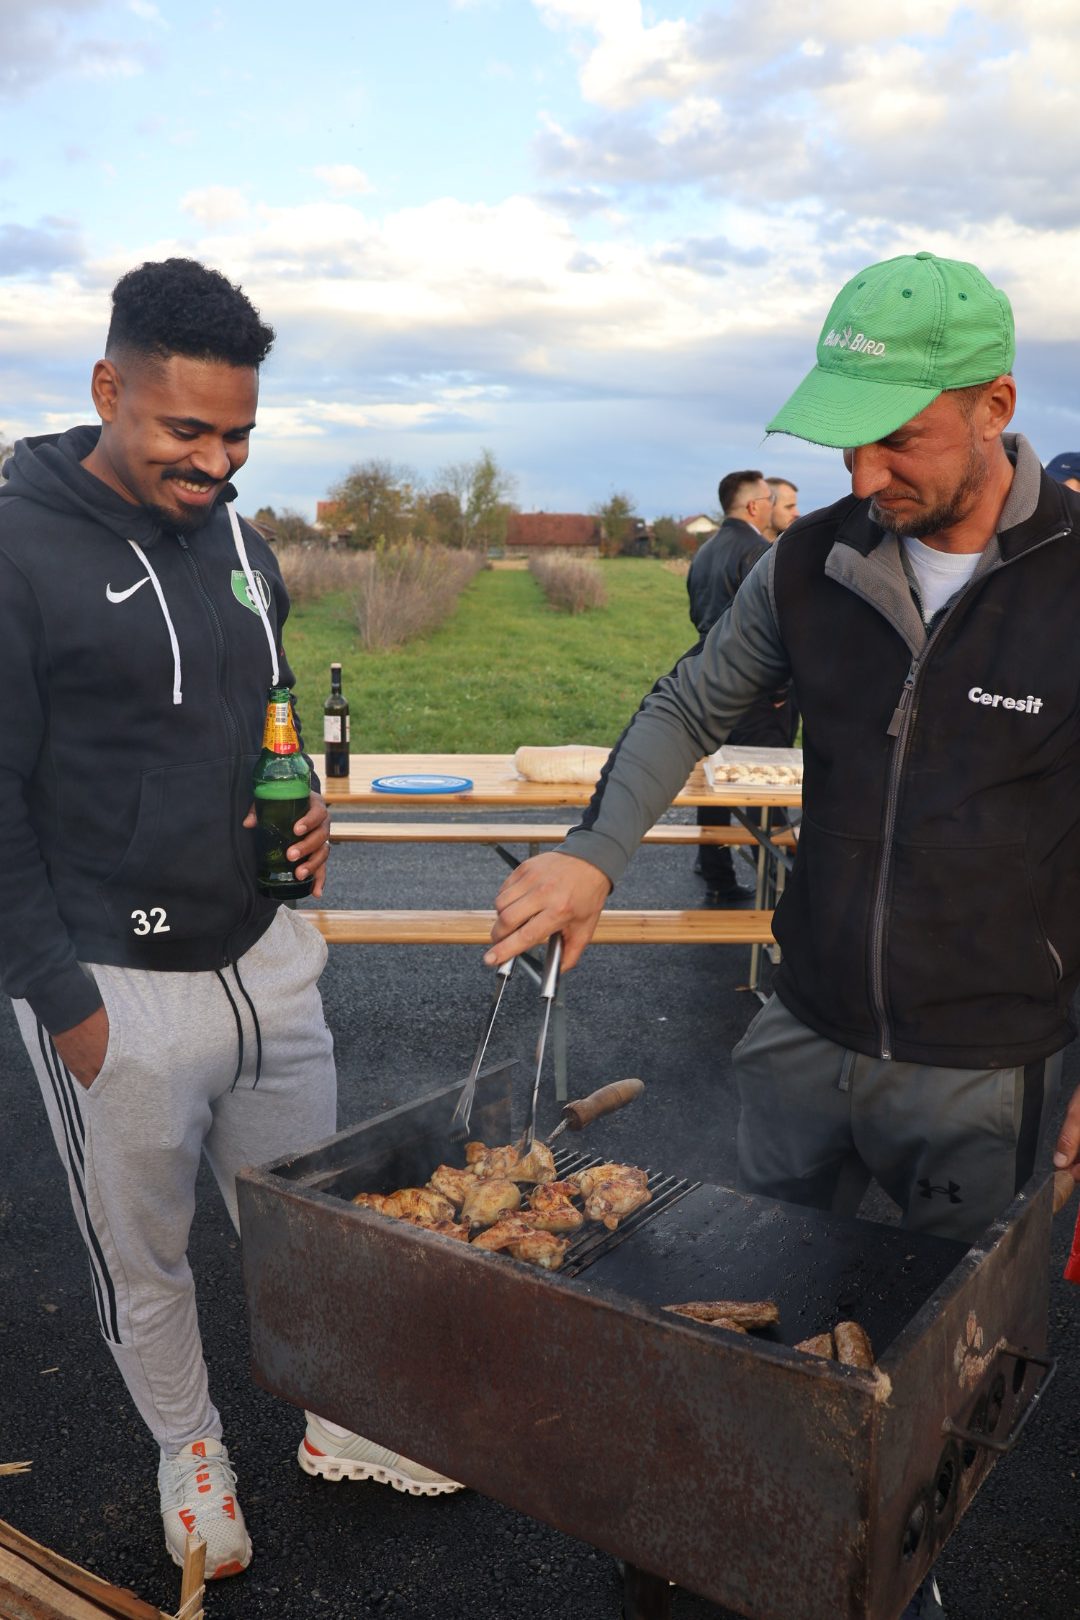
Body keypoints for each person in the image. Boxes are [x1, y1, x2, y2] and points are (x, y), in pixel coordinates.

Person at [484, 250, 1080, 1620]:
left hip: (990, 1070)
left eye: (904, 437)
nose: (867, 473)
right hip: (803, 1031)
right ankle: (712, 1539)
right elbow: (694, 701)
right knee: (731, 1310)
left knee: (939, 1372)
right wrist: (591, 853)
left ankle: (891, 1569)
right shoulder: (810, 564)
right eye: (848, 437)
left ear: (996, 402)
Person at [0, 258, 458, 1583]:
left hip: (268, 958)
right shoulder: (18, 548)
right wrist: (65, 1003)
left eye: (240, 433)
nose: (216, 464)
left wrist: (302, 804)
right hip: (112, 977)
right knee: (145, 1249)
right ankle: (187, 1447)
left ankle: (341, 1417)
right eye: (184, 431)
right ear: (107, 389)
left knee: (302, 1223)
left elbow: (250, 720)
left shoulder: (245, 540)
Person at [686, 469, 797, 904]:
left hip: (709, 685)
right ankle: (776, 885)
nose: (773, 505)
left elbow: (699, 614)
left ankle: (716, 875)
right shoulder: (760, 553)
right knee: (765, 791)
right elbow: (777, 628)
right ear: (754, 506)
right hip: (755, 695)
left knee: (714, 785)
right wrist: (781, 693)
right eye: (770, 498)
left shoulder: (706, 550)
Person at [762, 476, 800, 541]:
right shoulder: (743, 547)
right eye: (789, 507)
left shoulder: (797, 544)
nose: (797, 513)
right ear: (767, 506)